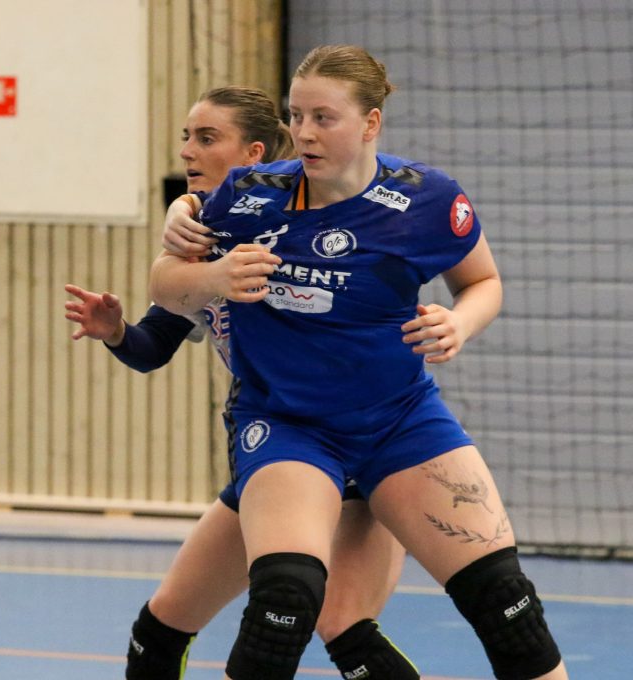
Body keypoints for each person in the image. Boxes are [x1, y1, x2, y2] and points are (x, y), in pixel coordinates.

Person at [150, 46, 570, 680]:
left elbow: (482, 282)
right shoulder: (248, 197)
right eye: (297, 116)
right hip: (290, 427)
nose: (305, 133)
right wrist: (209, 270)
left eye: (324, 117)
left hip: (398, 421)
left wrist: (460, 322)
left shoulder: (426, 199)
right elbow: (165, 286)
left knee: (508, 607)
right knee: (283, 604)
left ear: (371, 122)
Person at [65, 86, 418, 679]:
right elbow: (154, 345)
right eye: (186, 137)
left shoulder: (308, 223)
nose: (187, 151)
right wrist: (117, 331)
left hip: (357, 453)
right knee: (160, 628)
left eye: (207, 138)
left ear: (254, 154)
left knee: (343, 628)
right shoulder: (207, 243)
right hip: (279, 459)